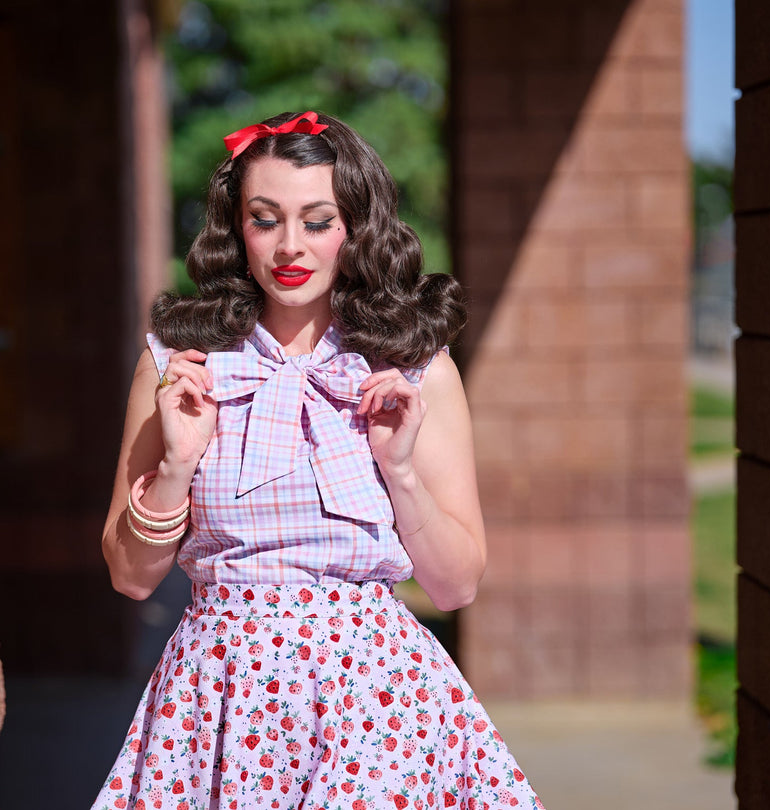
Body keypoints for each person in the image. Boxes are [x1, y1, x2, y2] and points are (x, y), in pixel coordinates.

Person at [92, 111, 542, 810]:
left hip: (381, 710)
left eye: (318, 220)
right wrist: (177, 468)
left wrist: (401, 472)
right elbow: (129, 576)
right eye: (265, 219)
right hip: (218, 705)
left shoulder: (418, 373)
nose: (290, 246)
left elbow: (456, 587)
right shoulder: (178, 365)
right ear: (236, 231)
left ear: (357, 228)